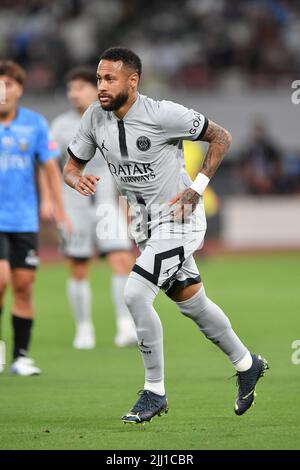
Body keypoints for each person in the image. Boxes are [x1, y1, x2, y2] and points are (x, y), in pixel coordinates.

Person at [63, 47, 269, 423]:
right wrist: (76, 178)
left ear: (132, 81)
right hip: (143, 228)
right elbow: (71, 166)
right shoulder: (95, 117)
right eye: (98, 79)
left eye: (109, 79)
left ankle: (154, 391)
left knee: (135, 294)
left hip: (178, 221)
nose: (101, 87)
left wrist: (199, 187)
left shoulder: (162, 114)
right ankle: (247, 362)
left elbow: (221, 136)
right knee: (192, 302)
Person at [50, 67, 137, 349]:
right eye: (71, 89)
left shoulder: (111, 119)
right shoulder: (60, 126)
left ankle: (124, 326)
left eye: (80, 88)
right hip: (73, 204)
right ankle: (84, 328)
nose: (74, 94)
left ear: (94, 89)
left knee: (122, 259)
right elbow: (50, 169)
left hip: (106, 203)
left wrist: (128, 204)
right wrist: (54, 204)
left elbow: (124, 166)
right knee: (78, 265)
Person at [0, 60, 70, 376]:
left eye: (9, 85)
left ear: (19, 89)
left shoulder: (35, 124)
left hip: (24, 220)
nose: (3, 92)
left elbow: (50, 169)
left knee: (24, 287)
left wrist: (59, 207)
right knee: (0, 280)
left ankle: (21, 356)